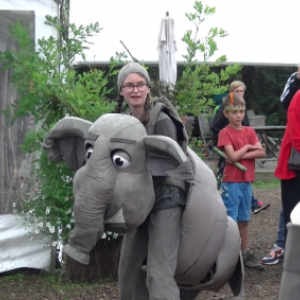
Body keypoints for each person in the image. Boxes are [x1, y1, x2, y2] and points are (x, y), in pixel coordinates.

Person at [115, 62, 187, 300]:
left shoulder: (161, 119)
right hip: (137, 201)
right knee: (127, 270)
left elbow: (167, 163)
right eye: (129, 85)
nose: (135, 90)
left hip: (166, 196)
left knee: (158, 272)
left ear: (147, 89)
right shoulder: (121, 124)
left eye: (140, 85)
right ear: (121, 91)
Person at [217, 92, 265, 271]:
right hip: (230, 182)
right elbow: (232, 156)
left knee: (244, 220)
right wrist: (247, 147)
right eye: (234, 112)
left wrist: (240, 154)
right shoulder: (224, 133)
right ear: (226, 114)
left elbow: (261, 153)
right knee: (230, 221)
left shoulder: (250, 131)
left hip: (246, 182)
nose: (238, 115)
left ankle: (244, 254)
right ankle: (227, 257)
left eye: (241, 111)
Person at [210, 80, 270, 214]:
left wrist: (240, 152)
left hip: (239, 154)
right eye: (237, 91)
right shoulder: (225, 108)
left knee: (238, 180)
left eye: (241, 91)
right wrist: (226, 142)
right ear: (231, 92)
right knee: (223, 175)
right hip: (226, 148)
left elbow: (260, 151)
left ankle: (251, 202)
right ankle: (215, 203)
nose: (239, 93)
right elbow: (214, 127)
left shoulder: (242, 111)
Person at [261, 66, 300, 265]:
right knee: (291, 209)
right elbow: (296, 135)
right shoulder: (296, 90)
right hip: (294, 164)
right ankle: (285, 249)